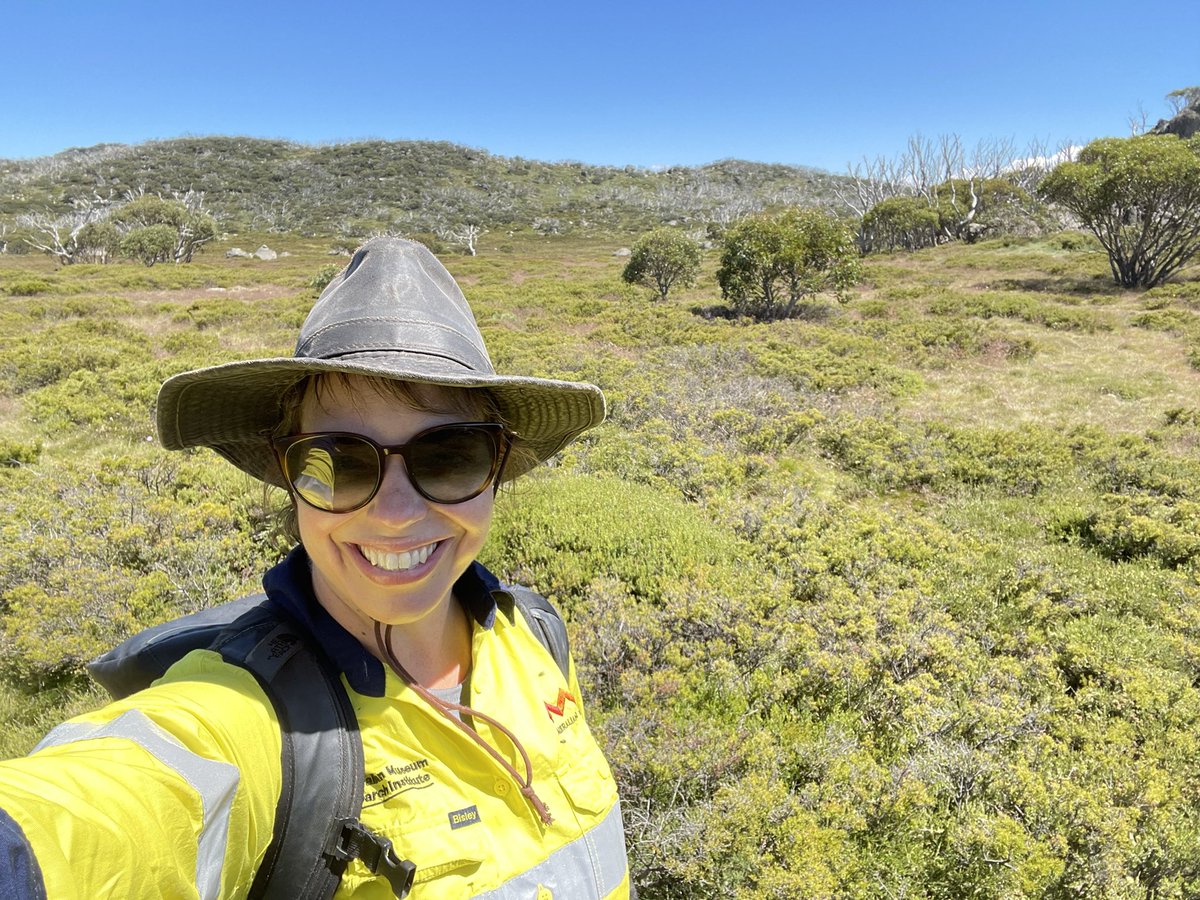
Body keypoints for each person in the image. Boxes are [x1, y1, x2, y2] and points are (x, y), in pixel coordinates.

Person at [0, 237, 631, 898]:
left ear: (496, 467)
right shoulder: (255, 720)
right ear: (287, 472)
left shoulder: (533, 632)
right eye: (339, 461)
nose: (394, 512)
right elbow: (90, 816)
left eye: (449, 454)